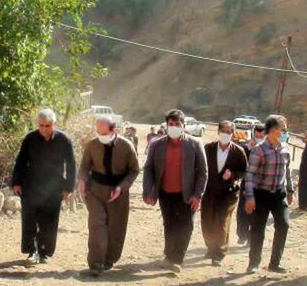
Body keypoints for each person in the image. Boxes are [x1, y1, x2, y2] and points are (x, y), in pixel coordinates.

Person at [141, 109, 207, 273]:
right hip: (165, 193)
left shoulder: (194, 144)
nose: (174, 127)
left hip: (187, 194)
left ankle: (176, 258)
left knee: (186, 225)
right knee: (169, 224)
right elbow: (148, 169)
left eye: (178, 124)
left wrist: (198, 195)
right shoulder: (157, 144)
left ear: (184, 125)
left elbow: (203, 172)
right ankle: (169, 255)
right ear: (167, 125)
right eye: (171, 124)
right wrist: (148, 191)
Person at [11, 108, 76, 265]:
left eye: (48, 126)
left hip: (54, 187)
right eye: (41, 126)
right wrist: (16, 182)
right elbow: (21, 161)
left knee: (50, 221)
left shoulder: (64, 140)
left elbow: (71, 165)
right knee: (30, 220)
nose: (44, 129)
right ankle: (32, 252)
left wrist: (69, 187)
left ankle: (45, 251)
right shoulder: (30, 139)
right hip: (31, 185)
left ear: (54, 124)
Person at [77, 114, 140, 275]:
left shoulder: (127, 146)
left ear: (114, 130)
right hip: (95, 190)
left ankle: (109, 259)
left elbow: (134, 170)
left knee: (115, 227)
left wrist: (121, 188)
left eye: (104, 134)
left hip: (118, 192)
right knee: (97, 222)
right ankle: (96, 263)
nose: (101, 137)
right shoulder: (92, 145)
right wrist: (82, 181)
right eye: (98, 133)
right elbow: (84, 167)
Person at [243, 114, 293, 273]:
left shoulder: (285, 149)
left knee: (284, 224)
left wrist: (290, 189)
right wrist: (249, 197)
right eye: (283, 129)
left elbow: (288, 171)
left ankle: (275, 263)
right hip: (261, 195)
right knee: (258, 229)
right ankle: (254, 263)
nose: (285, 132)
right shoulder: (259, 150)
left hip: (279, 195)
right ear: (272, 130)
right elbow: (249, 174)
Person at [201, 120, 248, 265]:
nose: (226, 134)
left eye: (229, 132)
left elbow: (244, 171)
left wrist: (233, 175)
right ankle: (211, 248)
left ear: (233, 134)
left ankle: (219, 253)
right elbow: (200, 167)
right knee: (207, 221)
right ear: (218, 131)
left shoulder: (238, 151)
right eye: (224, 131)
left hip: (228, 193)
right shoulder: (208, 148)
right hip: (209, 191)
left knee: (222, 221)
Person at [235, 122, 265, 245]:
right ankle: (242, 234)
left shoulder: (269, 148)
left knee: (257, 212)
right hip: (247, 182)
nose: (258, 138)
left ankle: (252, 238)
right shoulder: (246, 147)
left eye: (261, 136)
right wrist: (248, 150)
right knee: (242, 210)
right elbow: (240, 164)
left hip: (261, 185)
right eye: (256, 136)